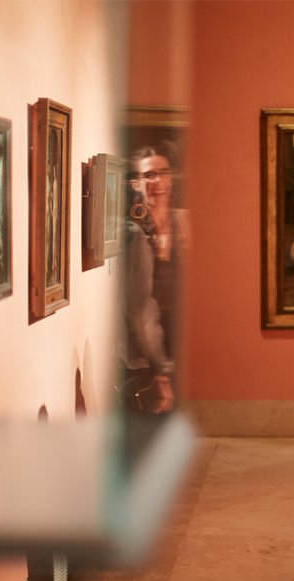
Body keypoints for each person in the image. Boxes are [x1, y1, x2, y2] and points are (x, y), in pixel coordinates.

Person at [121, 143, 189, 414]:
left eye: (163, 172)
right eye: (149, 175)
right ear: (137, 183)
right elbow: (139, 309)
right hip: (146, 359)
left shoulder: (184, 223)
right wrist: (160, 371)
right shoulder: (133, 233)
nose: (158, 181)